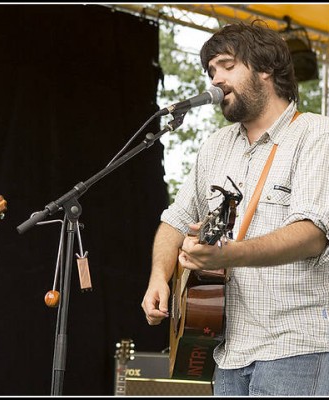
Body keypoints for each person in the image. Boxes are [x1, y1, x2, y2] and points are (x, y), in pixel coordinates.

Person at [141, 21, 329, 396]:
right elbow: (173, 222)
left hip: (297, 347)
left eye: (227, 66)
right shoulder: (215, 146)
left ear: (266, 69)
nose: (215, 79)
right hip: (227, 353)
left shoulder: (316, 135)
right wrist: (159, 278)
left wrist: (229, 254)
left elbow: (312, 233)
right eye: (211, 71)